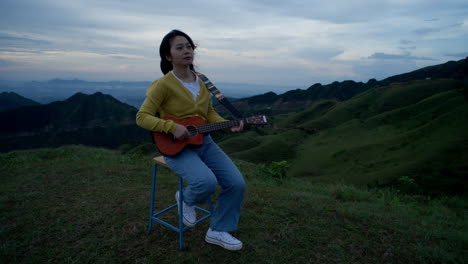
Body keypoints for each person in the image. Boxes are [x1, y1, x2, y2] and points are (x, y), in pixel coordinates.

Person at [136, 30, 246, 251]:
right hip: (176, 148)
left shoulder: (203, 82)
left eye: (189, 46)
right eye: (179, 47)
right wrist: (171, 127)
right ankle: (185, 199)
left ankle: (217, 230)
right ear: (168, 57)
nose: (186, 50)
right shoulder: (163, 84)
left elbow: (208, 115)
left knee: (236, 184)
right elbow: (142, 117)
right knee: (205, 182)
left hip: (204, 143)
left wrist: (226, 123)